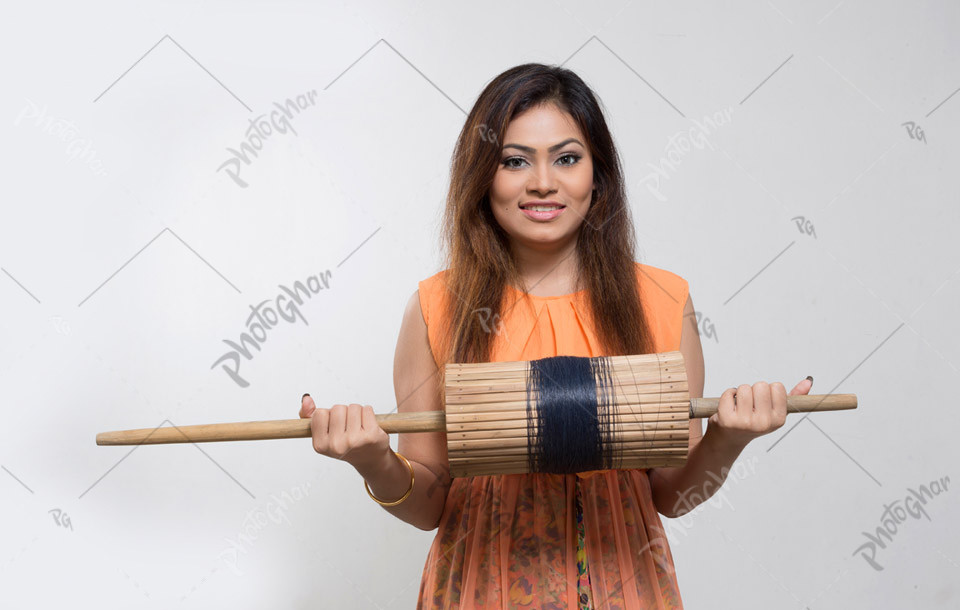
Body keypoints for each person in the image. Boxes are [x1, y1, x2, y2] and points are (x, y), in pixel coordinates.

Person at [298, 63, 814, 609]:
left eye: (567, 158)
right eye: (514, 161)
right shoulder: (436, 307)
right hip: (480, 591)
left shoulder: (663, 301)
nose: (543, 182)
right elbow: (429, 507)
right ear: (481, 177)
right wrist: (372, 460)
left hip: (627, 592)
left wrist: (728, 441)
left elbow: (672, 495)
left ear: (599, 174)